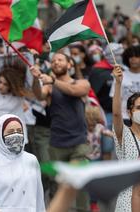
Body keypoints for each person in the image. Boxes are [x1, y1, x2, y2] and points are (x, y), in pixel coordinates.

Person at [31, 52, 91, 210]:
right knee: (59, 187)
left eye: (60, 59)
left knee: (80, 183)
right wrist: (35, 78)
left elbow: (73, 91)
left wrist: (52, 80)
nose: (56, 62)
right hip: (57, 144)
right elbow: (38, 95)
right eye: (53, 61)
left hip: (79, 143)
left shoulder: (82, 82)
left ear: (70, 64)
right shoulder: (49, 86)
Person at [112, 63, 140, 212]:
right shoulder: (124, 133)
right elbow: (116, 114)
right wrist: (118, 84)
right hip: (127, 201)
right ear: (130, 112)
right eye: (139, 108)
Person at [110, 45, 140, 126]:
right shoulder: (120, 76)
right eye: (130, 56)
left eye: (136, 56)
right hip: (125, 119)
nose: (133, 59)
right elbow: (115, 98)